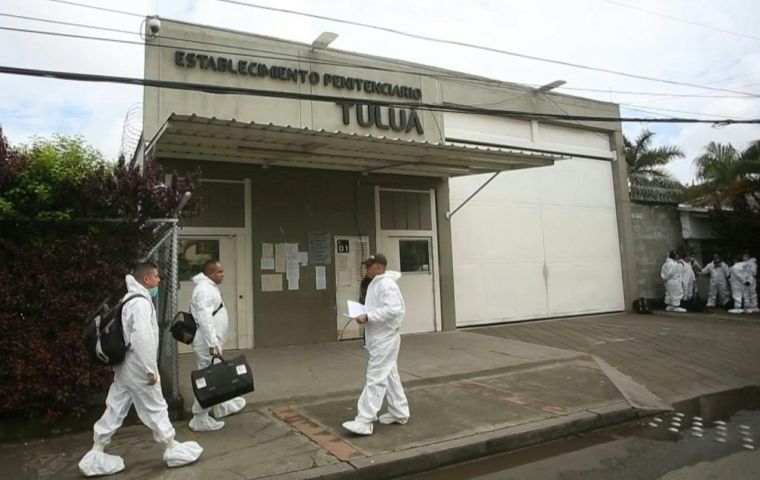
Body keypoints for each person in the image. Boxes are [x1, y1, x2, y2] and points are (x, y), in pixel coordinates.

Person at [79, 262, 202, 477]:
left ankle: (96, 451)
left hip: (125, 367)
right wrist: (150, 371)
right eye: (157, 277)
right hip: (139, 368)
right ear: (146, 280)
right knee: (156, 406)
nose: (159, 281)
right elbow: (143, 340)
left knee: (115, 406)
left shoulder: (128, 299)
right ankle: (172, 447)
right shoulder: (141, 303)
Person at [343, 253, 410, 435]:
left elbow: (394, 309)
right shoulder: (378, 284)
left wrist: (368, 316)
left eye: (369, 266)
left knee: (375, 377)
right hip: (381, 337)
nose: (366, 269)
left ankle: (364, 420)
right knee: (389, 375)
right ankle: (399, 411)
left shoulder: (386, 284)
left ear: (379, 267)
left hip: (385, 338)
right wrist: (365, 313)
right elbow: (382, 308)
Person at [188, 260, 246, 432]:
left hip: (211, 342)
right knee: (208, 378)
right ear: (210, 273)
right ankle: (199, 416)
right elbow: (205, 319)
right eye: (219, 271)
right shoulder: (204, 290)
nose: (222, 274)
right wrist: (213, 343)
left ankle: (220, 406)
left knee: (216, 374)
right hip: (208, 343)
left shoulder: (208, 287)